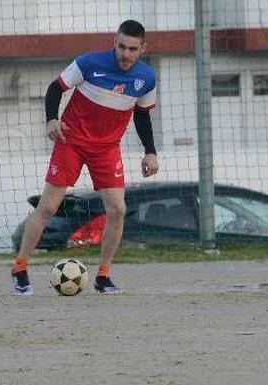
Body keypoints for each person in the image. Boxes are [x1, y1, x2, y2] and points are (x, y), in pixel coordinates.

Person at [11, 19, 159, 295]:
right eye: (122, 47)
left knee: (118, 210)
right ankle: (20, 267)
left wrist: (150, 151)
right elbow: (55, 89)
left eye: (132, 49)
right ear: (114, 42)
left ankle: (103, 276)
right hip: (72, 142)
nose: (126, 54)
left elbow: (142, 115)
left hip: (107, 148)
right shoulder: (89, 63)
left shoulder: (146, 78)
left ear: (142, 49)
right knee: (48, 208)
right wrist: (51, 120)